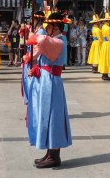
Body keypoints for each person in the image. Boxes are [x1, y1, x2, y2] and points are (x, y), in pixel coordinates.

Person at [25, 12, 72, 168]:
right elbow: (41, 48)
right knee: (46, 114)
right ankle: (49, 152)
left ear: (56, 27)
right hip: (46, 80)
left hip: (52, 82)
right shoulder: (54, 39)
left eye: (49, 26)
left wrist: (34, 34)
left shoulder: (60, 40)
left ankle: (54, 155)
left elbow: (43, 40)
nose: (46, 29)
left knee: (53, 116)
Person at [22, 11, 45, 106]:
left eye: (33, 19)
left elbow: (38, 49)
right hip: (30, 58)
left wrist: (29, 57)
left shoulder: (42, 32)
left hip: (35, 60)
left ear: (38, 20)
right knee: (27, 82)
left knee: (33, 84)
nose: (31, 20)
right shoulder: (35, 30)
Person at [99, 11, 110, 80]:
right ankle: (105, 74)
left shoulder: (103, 27)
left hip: (104, 44)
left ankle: (104, 73)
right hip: (108, 45)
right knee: (107, 59)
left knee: (104, 59)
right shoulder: (108, 28)